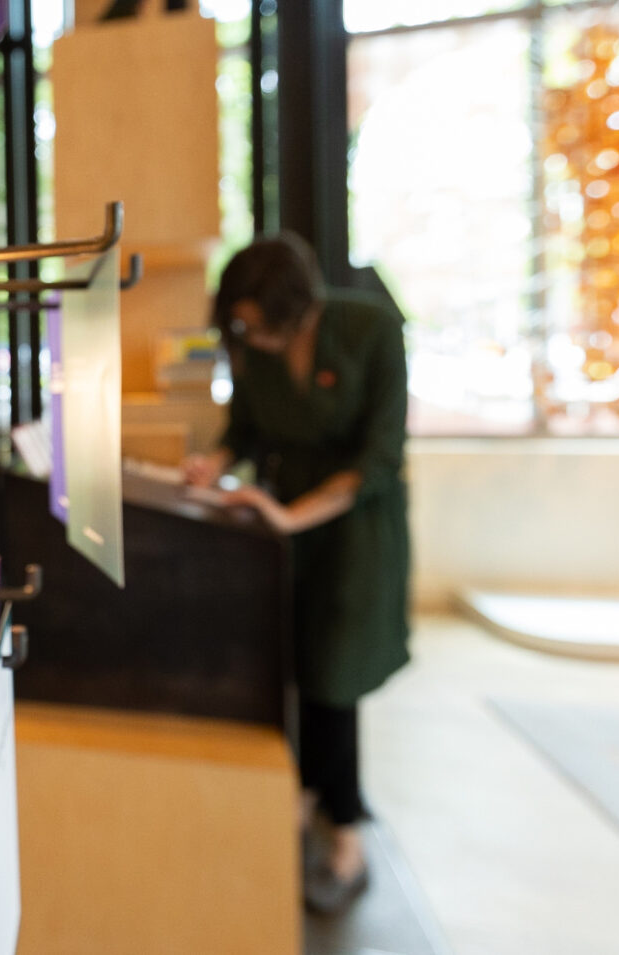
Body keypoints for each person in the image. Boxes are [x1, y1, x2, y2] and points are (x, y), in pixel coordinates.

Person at [183, 233, 410, 915]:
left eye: (254, 320)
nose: (246, 334)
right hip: (282, 530)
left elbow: (379, 457)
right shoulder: (254, 349)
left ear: (296, 306)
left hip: (355, 530)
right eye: (239, 322)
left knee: (335, 676)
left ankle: (347, 837)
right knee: (295, 664)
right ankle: (309, 795)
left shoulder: (371, 329)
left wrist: (291, 515)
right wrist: (213, 465)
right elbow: (245, 431)